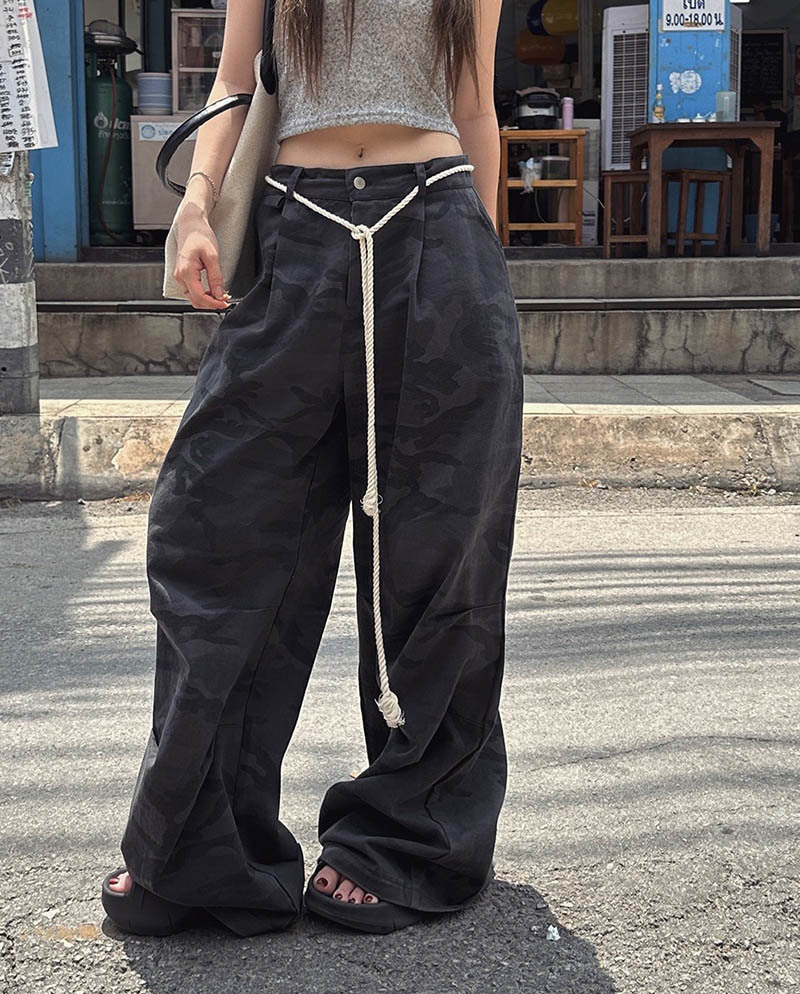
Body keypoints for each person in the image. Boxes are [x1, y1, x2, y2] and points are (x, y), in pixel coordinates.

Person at [101, 0, 522, 937]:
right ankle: (197, 842)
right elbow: (235, 79)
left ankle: (407, 839)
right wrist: (196, 204)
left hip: (438, 223)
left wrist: (485, 267)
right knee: (215, 531)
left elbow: (473, 104)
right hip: (294, 230)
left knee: (439, 547)